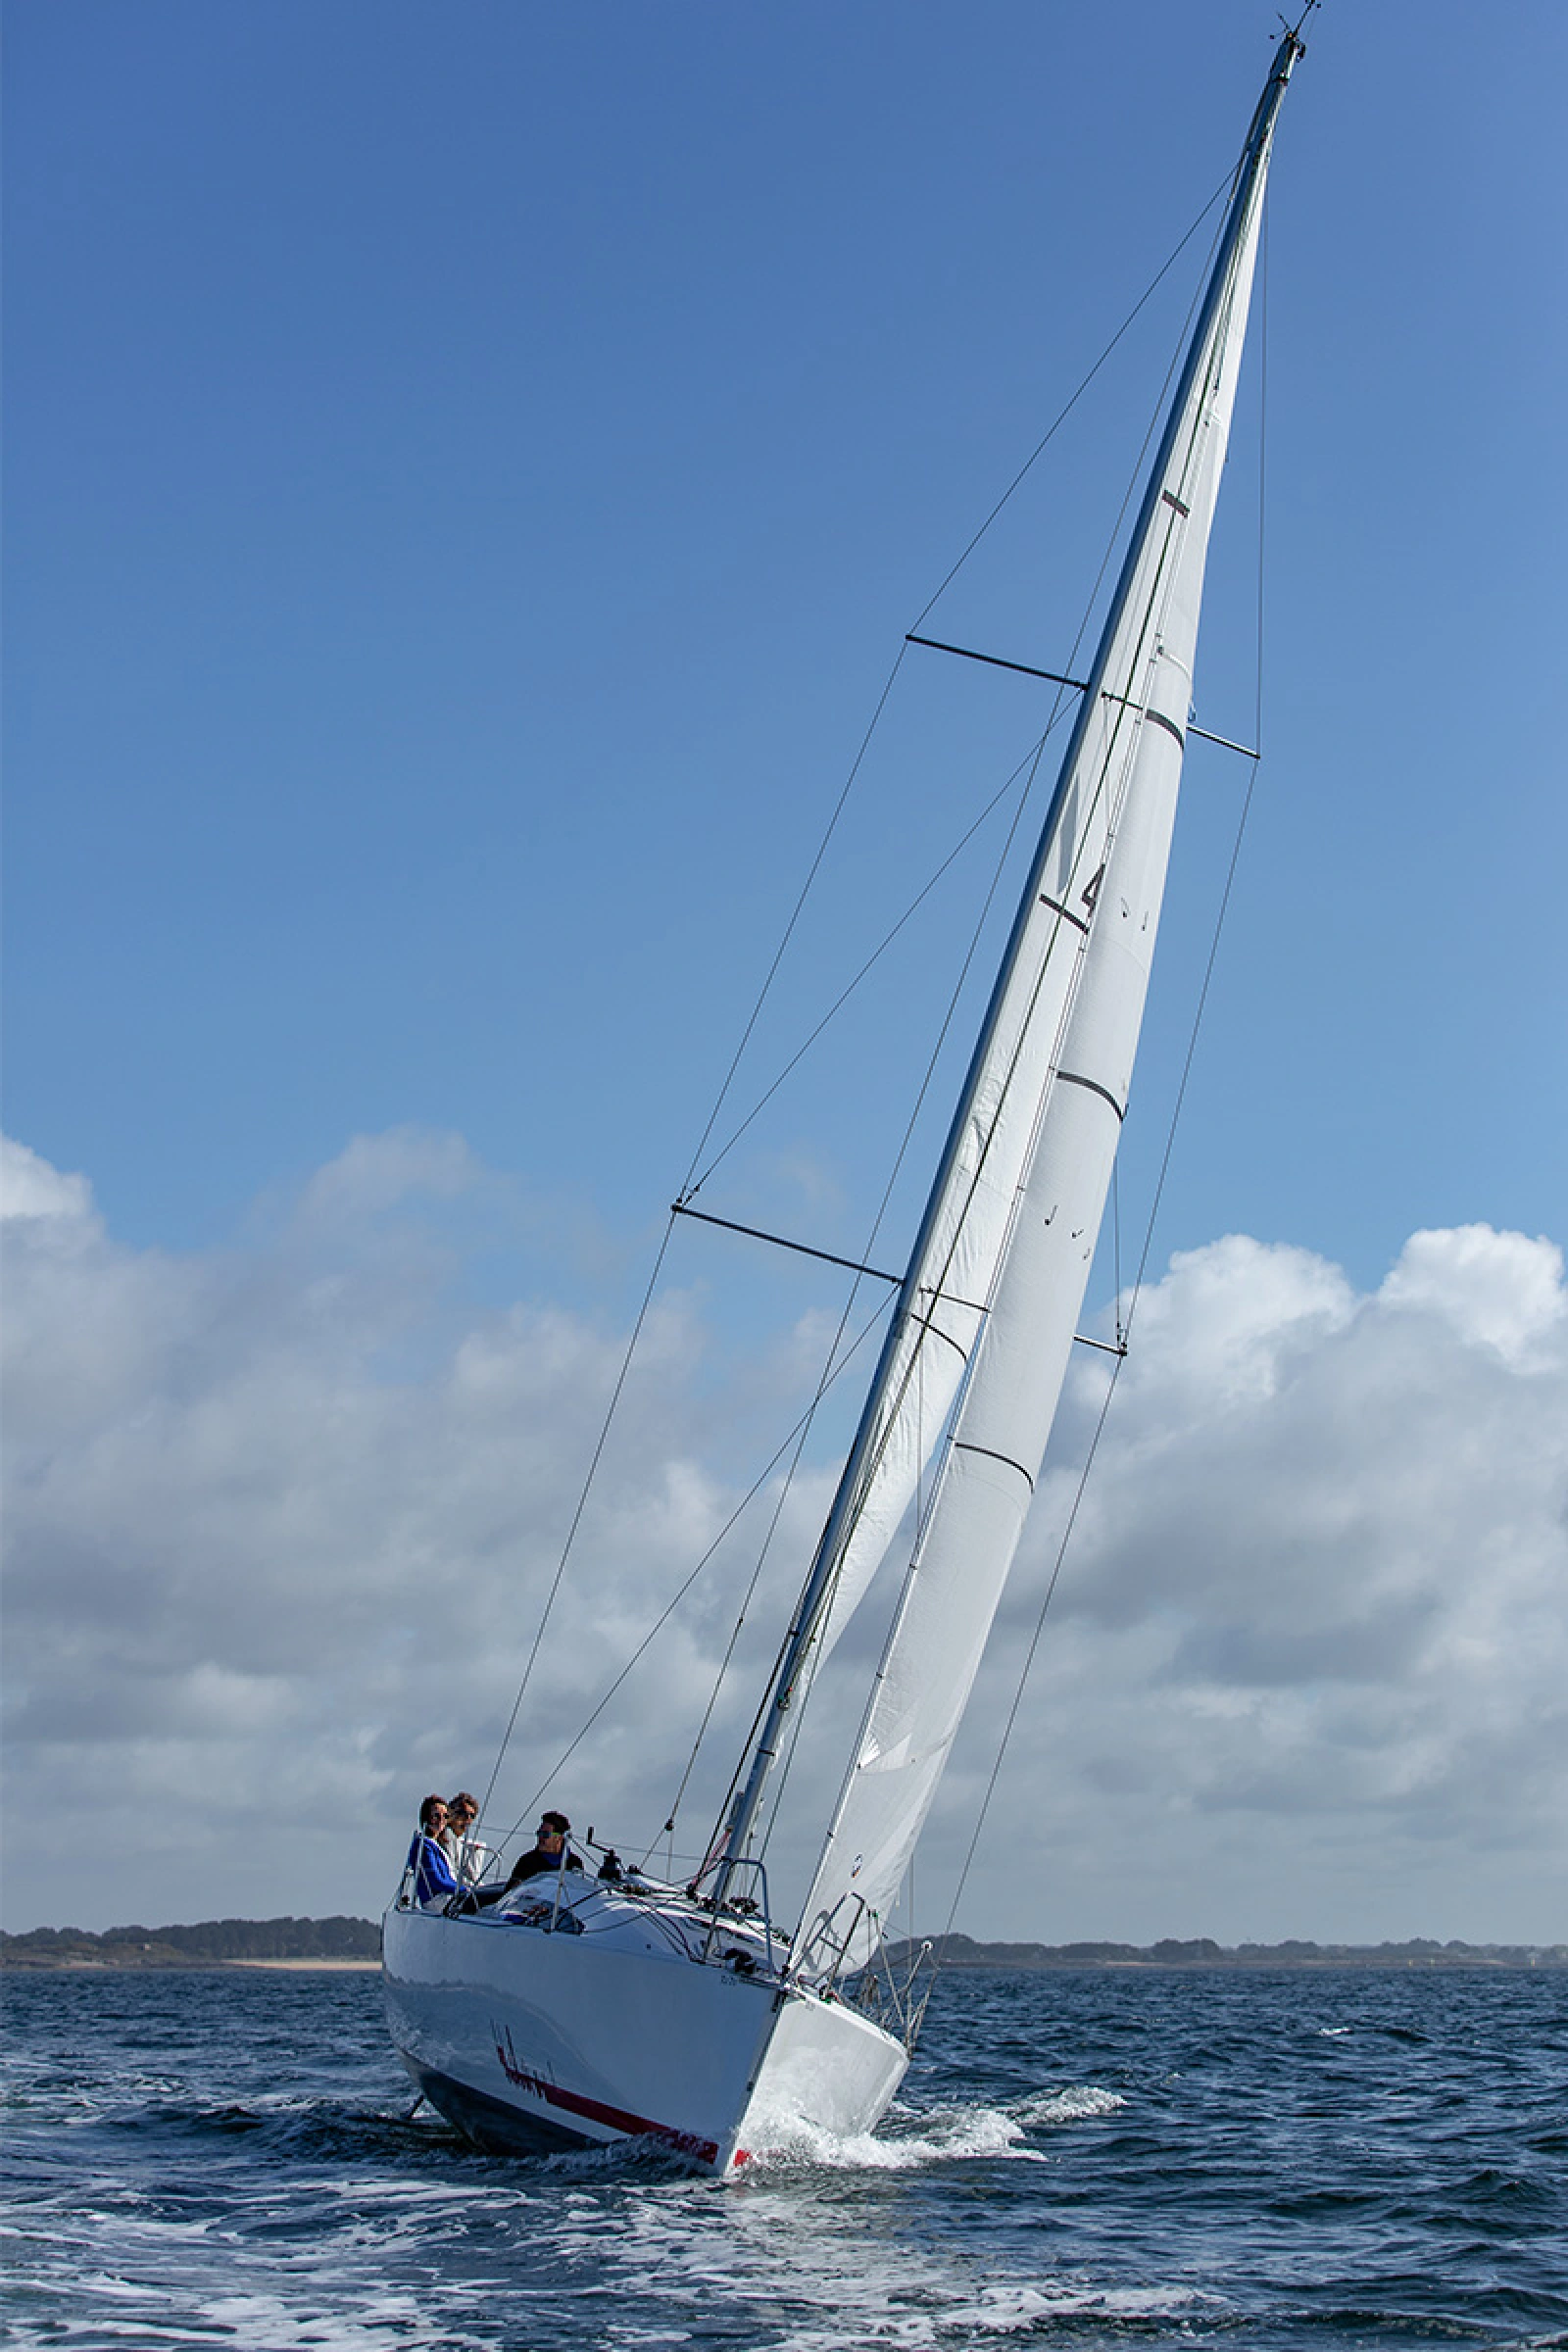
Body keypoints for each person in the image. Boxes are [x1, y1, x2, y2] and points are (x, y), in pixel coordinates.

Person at [502, 1810, 584, 1889]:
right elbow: (509, 1892)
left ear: (559, 1837)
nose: (540, 1837)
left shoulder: (574, 1863)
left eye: (545, 1834)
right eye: (539, 1833)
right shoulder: (527, 1861)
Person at [406, 1794, 461, 1908]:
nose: (441, 1820)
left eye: (445, 1816)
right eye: (436, 1815)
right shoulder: (424, 1845)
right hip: (437, 1901)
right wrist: (464, 1890)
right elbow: (436, 1881)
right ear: (426, 1817)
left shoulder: (436, 1845)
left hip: (448, 1898)